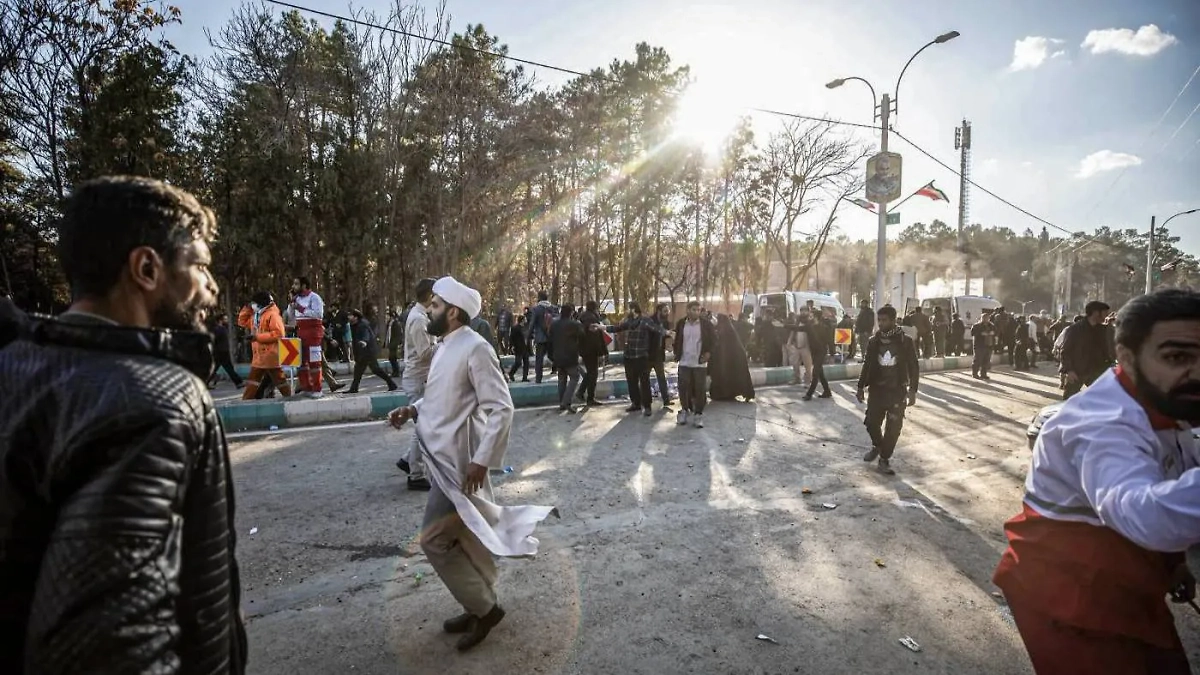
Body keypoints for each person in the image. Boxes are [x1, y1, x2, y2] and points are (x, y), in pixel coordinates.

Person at [0, 176, 246, 672]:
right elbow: (112, 644)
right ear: (146, 268)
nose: (212, 287)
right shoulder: (157, 401)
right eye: (199, 266)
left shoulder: (13, 368)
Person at [993, 289, 1200, 675]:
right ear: (1127, 357)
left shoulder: (1164, 400)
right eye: (1176, 357)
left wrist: (1172, 564)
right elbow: (1143, 512)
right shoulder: (1102, 425)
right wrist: (1070, 371)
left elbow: (1168, 475)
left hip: (1128, 581)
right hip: (1073, 599)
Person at [386, 276, 556, 652]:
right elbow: (441, 399)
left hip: (461, 467)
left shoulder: (476, 348)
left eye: (434, 305)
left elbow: (501, 407)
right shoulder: (445, 347)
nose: (428, 310)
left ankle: (485, 609)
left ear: (452, 312)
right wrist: (412, 410)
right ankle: (476, 604)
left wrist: (481, 461)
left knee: (433, 540)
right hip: (442, 460)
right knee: (466, 538)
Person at [856, 305, 919, 475]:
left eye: (884, 320)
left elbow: (914, 367)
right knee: (871, 423)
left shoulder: (905, 341)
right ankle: (877, 445)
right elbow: (867, 365)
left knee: (893, 428)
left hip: (897, 392)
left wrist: (913, 390)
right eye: (879, 320)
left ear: (893, 320)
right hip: (877, 391)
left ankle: (884, 459)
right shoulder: (873, 341)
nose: (881, 323)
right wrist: (860, 386)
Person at [397, 278, 437, 490]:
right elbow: (425, 353)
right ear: (430, 296)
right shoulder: (419, 320)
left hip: (420, 378)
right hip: (418, 379)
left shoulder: (420, 316)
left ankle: (407, 460)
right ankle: (416, 474)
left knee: (424, 426)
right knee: (424, 428)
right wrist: (446, 344)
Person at [604, 302, 669, 417]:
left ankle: (647, 406)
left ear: (633, 309)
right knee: (631, 381)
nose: (627, 311)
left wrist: (667, 332)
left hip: (641, 356)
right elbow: (617, 328)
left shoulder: (645, 320)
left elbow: (656, 329)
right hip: (629, 356)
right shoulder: (629, 321)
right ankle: (636, 403)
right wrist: (602, 328)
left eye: (628, 309)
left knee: (644, 382)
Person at [239, 291, 294, 399]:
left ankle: (246, 401)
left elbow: (279, 334)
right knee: (264, 380)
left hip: (269, 354)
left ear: (261, 303)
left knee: (274, 379)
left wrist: (257, 337)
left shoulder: (273, 315)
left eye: (254, 303)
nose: (252, 305)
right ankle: (289, 398)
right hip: (260, 355)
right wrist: (247, 308)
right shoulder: (257, 315)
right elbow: (242, 321)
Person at [1059, 300, 1115, 400]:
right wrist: (1069, 370)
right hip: (1077, 371)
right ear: (1096, 313)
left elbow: (1108, 349)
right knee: (1069, 400)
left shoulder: (1103, 330)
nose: (1106, 316)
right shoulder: (1075, 329)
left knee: (1103, 399)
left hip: (1097, 371)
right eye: (1105, 313)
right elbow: (1065, 351)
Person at [673, 300, 715, 427]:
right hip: (684, 361)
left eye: (698, 310)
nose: (696, 312)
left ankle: (698, 414)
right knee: (683, 387)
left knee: (700, 389)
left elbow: (714, 341)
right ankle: (685, 410)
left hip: (699, 363)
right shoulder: (681, 323)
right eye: (694, 310)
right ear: (688, 310)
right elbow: (677, 339)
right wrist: (676, 351)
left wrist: (708, 353)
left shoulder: (706, 324)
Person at [290, 276, 326, 397]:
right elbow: (291, 315)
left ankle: (317, 389)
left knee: (314, 362)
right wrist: (292, 303)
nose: (293, 286)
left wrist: (300, 308)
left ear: (304, 285)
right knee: (301, 362)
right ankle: (306, 387)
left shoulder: (314, 297)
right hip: (300, 332)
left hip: (313, 333)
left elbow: (318, 314)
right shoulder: (296, 299)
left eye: (296, 284)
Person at [346, 309, 398, 393]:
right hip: (362, 352)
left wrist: (364, 341)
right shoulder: (355, 325)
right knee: (358, 371)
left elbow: (366, 334)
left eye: (350, 315)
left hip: (368, 351)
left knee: (375, 369)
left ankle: (391, 384)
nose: (348, 317)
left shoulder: (362, 325)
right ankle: (354, 388)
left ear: (356, 317)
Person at [709, 313, 756, 401]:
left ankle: (725, 393)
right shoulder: (729, 330)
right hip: (731, 359)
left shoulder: (723, 331)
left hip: (727, 360)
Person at [548, 303, 584, 412]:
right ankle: (566, 402)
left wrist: (551, 355)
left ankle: (562, 403)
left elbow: (550, 340)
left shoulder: (554, 324)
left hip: (557, 356)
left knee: (561, 379)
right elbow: (582, 336)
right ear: (571, 313)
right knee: (575, 377)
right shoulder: (574, 324)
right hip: (570, 356)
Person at [576, 300, 607, 405]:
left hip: (584, 349)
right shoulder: (593, 318)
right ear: (595, 308)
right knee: (593, 374)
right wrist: (602, 352)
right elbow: (596, 337)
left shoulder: (582, 317)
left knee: (590, 372)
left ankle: (581, 392)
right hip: (592, 350)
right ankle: (589, 398)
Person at [208, 311, 245, 388]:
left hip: (223, 351)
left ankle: (238, 383)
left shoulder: (222, 328)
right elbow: (213, 340)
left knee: (221, 368)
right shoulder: (217, 329)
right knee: (226, 368)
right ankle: (238, 382)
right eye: (225, 319)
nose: (226, 320)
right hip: (220, 352)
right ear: (220, 320)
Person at [802, 312, 833, 401]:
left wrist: (832, 354)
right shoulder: (810, 327)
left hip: (821, 352)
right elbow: (798, 328)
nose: (810, 318)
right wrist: (784, 326)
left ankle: (809, 394)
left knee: (815, 373)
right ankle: (827, 391)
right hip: (814, 352)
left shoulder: (824, 328)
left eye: (811, 316)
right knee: (820, 373)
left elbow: (829, 341)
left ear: (816, 318)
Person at [648, 303, 674, 408]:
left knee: (661, 377)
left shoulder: (666, 322)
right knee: (644, 378)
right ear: (659, 311)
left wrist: (668, 345)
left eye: (668, 311)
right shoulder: (650, 321)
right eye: (665, 311)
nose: (667, 313)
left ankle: (666, 400)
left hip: (659, 354)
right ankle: (645, 401)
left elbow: (666, 336)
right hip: (648, 354)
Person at [528, 290, 555, 383]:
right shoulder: (553, 308)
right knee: (553, 356)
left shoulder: (536, 309)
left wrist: (528, 336)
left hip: (540, 338)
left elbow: (532, 324)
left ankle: (538, 378)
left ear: (539, 298)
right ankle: (560, 370)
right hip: (551, 337)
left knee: (539, 359)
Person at [971, 311, 996, 380]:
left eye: (987, 318)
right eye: (984, 318)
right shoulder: (977, 326)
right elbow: (973, 333)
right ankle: (975, 373)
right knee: (978, 360)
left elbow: (996, 332)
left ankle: (983, 374)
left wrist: (993, 333)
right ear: (981, 318)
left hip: (989, 345)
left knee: (986, 360)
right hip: (979, 345)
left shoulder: (991, 325)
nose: (986, 319)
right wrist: (981, 333)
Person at [507, 315, 530, 382]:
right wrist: (511, 346)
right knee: (518, 362)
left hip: (525, 348)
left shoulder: (525, 327)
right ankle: (511, 373)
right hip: (518, 347)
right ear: (522, 320)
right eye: (525, 319)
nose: (526, 320)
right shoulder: (515, 328)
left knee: (526, 363)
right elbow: (511, 338)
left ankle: (525, 377)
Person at [386, 306, 406, 377]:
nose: (386, 317)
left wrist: (396, 343)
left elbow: (398, 334)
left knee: (393, 358)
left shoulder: (396, 323)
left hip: (394, 343)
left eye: (387, 316)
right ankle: (395, 371)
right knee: (391, 358)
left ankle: (396, 372)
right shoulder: (389, 323)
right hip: (391, 343)